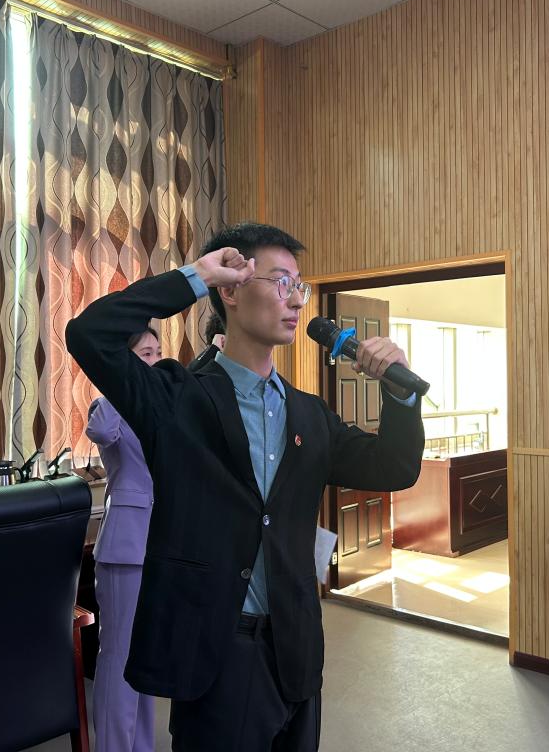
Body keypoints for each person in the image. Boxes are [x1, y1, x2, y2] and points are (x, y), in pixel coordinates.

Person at [66, 223, 423, 752]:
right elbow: (88, 334)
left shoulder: (310, 415)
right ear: (231, 291)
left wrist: (400, 393)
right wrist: (197, 275)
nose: (295, 300)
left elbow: (394, 467)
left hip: (296, 649)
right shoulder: (176, 399)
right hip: (216, 654)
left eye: (298, 286)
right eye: (280, 282)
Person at [85, 328, 162, 752]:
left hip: (156, 542)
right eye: (145, 353)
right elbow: (101, 432)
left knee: (145, 655)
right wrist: (120, 379)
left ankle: (142, 745)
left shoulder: (156, 404)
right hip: (124, 544)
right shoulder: (108, 403)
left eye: (158, 352)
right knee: (118, 656)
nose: (155, 360)